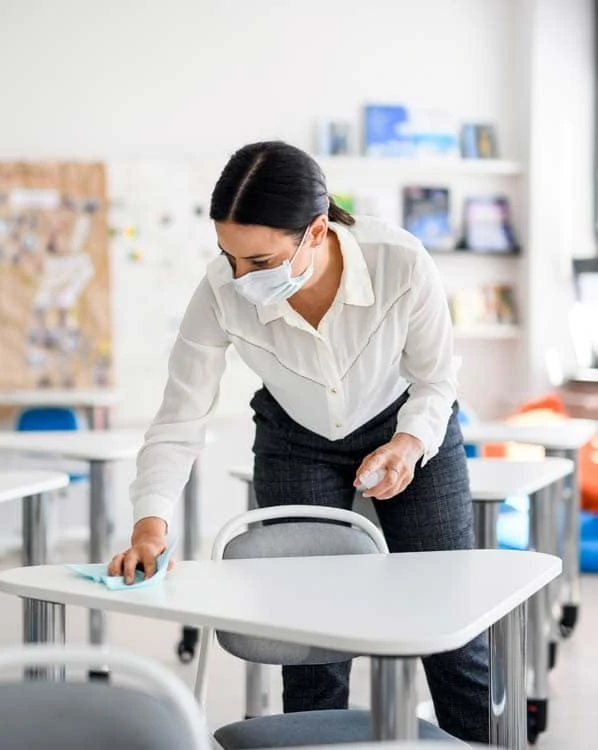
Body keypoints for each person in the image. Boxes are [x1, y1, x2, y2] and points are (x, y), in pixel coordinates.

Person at [108, 140, 489, 743]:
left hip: (408, 428)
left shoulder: (401, 261)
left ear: (315, 231)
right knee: (309, 637)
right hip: (295, 439)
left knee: (453, 630)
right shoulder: (219, 293)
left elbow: (436, 380)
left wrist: (410, 445)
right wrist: (149, 523)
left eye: (259, 262)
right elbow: (180, 418)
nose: (240, 277)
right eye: (228, 256)